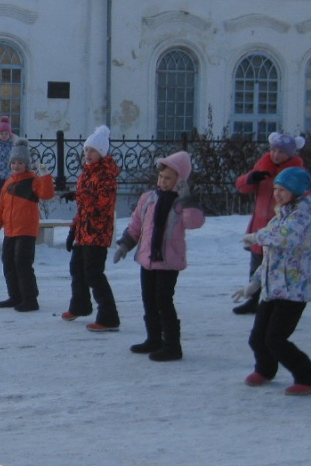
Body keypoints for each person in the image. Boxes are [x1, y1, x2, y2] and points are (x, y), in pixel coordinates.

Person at [234, 166, 311, 395]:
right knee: (257, 338)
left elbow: (286, 239)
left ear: (297, 191)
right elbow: (269, 258)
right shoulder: (279, 216)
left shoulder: (303, 215)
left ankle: (308, 378)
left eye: (283, 190)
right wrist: (254, 284)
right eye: (275, 189)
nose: (278, 194)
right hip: (272, 290)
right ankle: (265, 369)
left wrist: (256, 236)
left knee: (276, 340)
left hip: (293, 292)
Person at [113, 151, 206, 361]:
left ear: (179, 181)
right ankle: (153, 339)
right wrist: (125, 245)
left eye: (168, 179)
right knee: (149, 301)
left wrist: (186, 199)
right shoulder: (148, 198)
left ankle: (172, 345)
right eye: (161, 177)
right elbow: (136, 224)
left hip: (168, 261)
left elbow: (195, 222)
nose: (163, 182)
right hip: (147, 259)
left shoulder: (181, 204)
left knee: (163, 301)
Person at [232, 133, 306, 314]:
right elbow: (241, 187)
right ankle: (253, 300)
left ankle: (275, 302)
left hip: (281, 227)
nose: (275, 154)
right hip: (260, 224)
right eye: (273, 150)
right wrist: (251, 178)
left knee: (277, 268)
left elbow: (303, 197)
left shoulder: (295, 172)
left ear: (290, 154)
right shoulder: (263, 166)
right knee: (256, 265)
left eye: (281, 151)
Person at [63, 126, 120, 329]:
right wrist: (73, 231)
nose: (88, 154)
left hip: (98, 232)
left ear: (102, 153)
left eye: (92, 150)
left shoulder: (106, 175)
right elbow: (82, 208)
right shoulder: (86, 174)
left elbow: (102, 203)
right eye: (86, 150)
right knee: (77, 269)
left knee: (94, 274)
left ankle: (108, 316)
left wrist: (78, 196)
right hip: (84, 231)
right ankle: (80, 305)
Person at [0, 147, 56, 313]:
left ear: (27, 165)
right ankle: (15, 296)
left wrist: (46, 176)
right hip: (10, 231)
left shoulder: (33, 181)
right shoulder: (9, 182)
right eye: (14, 163)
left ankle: (30, 299)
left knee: (23, 264)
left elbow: (47, 194)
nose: (16, 166)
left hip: (26, 230)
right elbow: (1, 207)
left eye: (20, 163)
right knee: (9, 263)